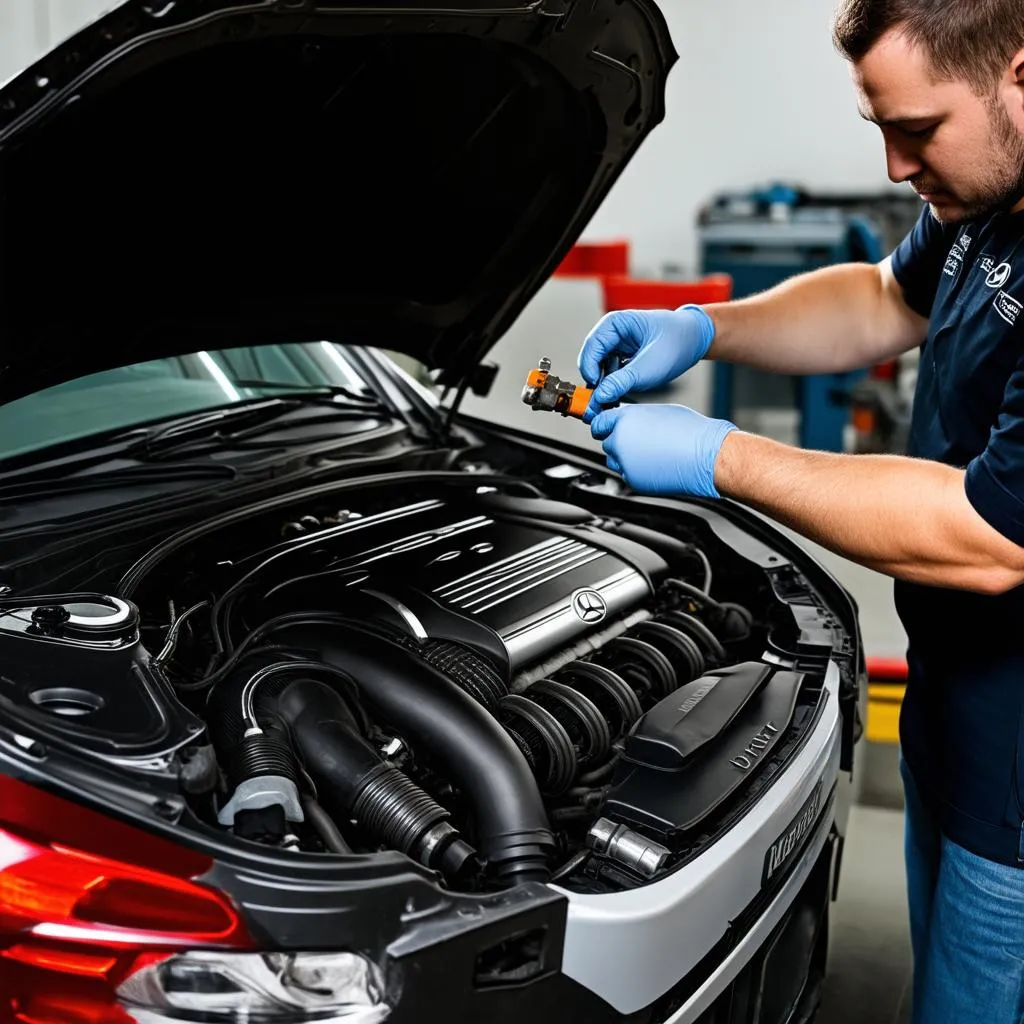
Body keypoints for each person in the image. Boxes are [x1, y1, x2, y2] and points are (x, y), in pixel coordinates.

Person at [578, 2, 1024, 1021]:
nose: (895, 165)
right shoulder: (991, 191)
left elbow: (991, 535)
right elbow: (879, 299)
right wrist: (704, 328)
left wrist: (717, 455)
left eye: (917, 129)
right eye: (880, 126)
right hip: (961, 714)